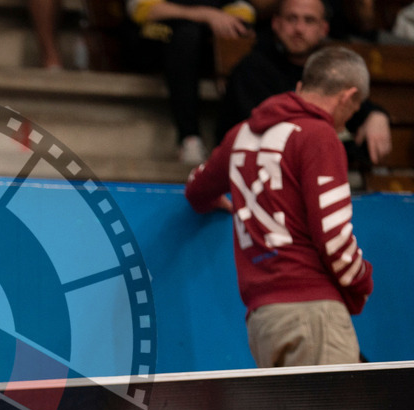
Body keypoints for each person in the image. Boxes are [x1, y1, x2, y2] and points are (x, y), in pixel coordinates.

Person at [185, 46, 373, 367]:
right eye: (352, 112)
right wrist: (362, 282)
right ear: (348, 96)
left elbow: (196, 189)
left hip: (263, 319)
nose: (345, 123)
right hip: (314, 313)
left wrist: (217, 199)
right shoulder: (319, 135)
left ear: (301, 87)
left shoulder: (240, 134)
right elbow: (334, 238)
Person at [216, 0, 392, 164]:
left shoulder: (327, 70)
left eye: (309, 20)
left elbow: (355, 107)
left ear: (323, 29)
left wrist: (376, 115)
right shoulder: (251, 70)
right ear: (275, 24)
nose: (299, 29)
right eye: (291, 19)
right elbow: (263, 139)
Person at [126, 0, 257, 163]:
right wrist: (207, 15)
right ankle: (189, 138)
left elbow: (244, 9)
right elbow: (141, 9)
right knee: (185, 34)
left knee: (243, 35)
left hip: (204, 37)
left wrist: (226, 22)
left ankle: (235, 143)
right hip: (153, 35)